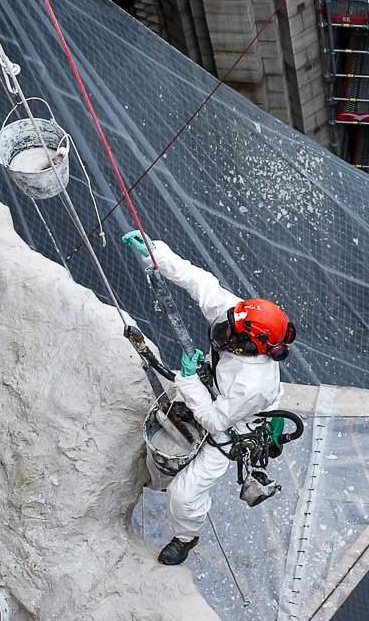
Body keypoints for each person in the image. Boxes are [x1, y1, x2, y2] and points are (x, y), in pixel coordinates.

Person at [123, 232, 295, 565]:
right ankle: (156, 476)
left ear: (254, 346)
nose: (226, 331)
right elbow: (200, 282)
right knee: (165, 446)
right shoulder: (239, 318)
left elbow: (216, 420)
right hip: (212, 392)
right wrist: (157, 254)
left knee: (184, 496)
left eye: (235, 335)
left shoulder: (253, 383)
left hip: (233, 428)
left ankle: (186, 536)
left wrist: (189, 381)